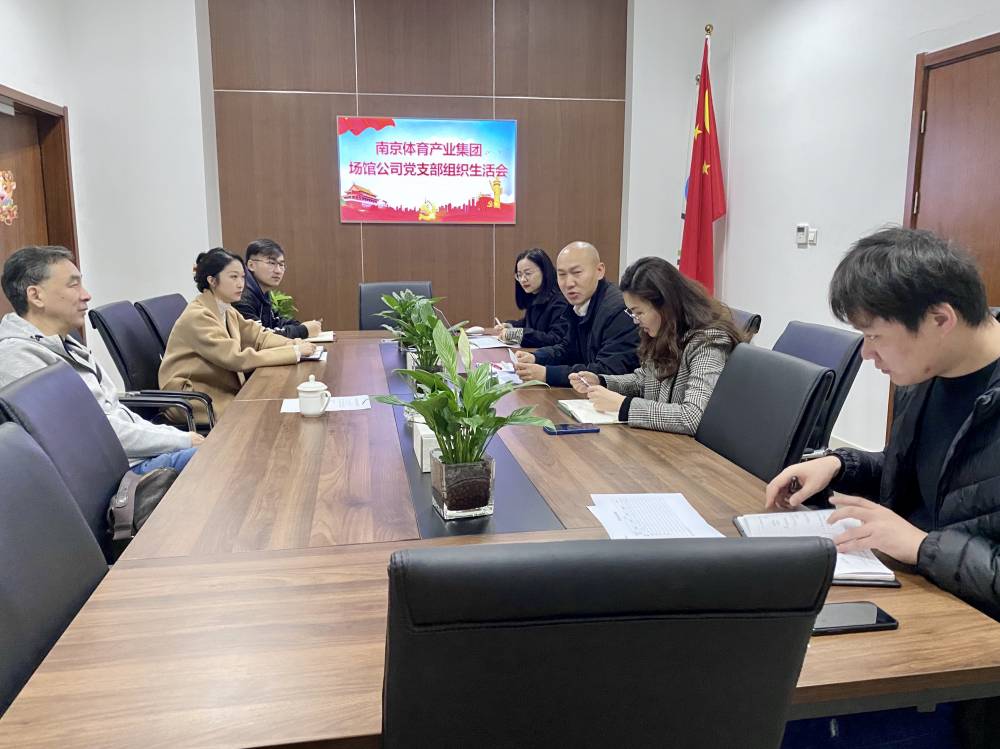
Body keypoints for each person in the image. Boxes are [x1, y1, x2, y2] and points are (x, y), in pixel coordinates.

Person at [771, 230, 1000, 749]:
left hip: (969, 664)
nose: (867, 354)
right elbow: (940, 484)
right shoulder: (931, 373)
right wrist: (840, 464)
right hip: (911, 601)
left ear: (940, 319)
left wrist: (922, 546)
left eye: (875, 336)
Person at [0, 245, 202, 473]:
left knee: (222, 452)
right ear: (36, 296)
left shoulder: (65, 343)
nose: (86, 295)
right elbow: (88, 435)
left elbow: (114, 411)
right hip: (116, 475)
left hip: (134, 455)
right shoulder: (16, 358)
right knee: (224, 460)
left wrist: (178, 437)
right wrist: (182, 440)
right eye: (73, 285)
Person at [568, 256, 743, 432]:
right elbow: (644, 380)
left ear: (665, 306)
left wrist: (624, 405)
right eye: (632, 313)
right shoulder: (663, 331)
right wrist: (601, 381)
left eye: (639, 313)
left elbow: (692, 417)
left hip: (687, 447)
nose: (635, 321)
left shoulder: (709, 341)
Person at [159, 248, 316, 420]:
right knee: (266, 413)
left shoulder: (225, 309)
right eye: (233, 277)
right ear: (212, 280)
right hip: (195, 398)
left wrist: (292, 344)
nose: (241, 284)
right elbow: (236, 359)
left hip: (217, 389)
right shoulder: (198, 315)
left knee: (273, 404)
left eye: (242, 277)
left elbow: (259, 336)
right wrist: (294, 352)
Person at [515, 241, 639, 387]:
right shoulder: (579, 302)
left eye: (577, 273)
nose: (568, 283)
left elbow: (608, 372)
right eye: (562, 275)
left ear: (599, 271)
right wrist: (536, 357)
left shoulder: (618, 309)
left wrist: (547, 374)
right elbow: (568, 348)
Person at [233, 238, 324, 340]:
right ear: (251, 265)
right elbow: (261, 338)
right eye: (271, 263)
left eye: (281, 264)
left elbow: (275, 322)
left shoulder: (261, 292)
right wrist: (303, 330)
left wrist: (302, 325)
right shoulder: (241, 296)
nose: (278, 270)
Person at [491, 248, 570, 347]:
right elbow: (530, 324)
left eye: (528, 273)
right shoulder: (535, 296)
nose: (523, 280)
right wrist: (510, 326)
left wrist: (516, 334)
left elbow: (555, 339)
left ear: (544, 272)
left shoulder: (560, 301)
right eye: (519, 275)